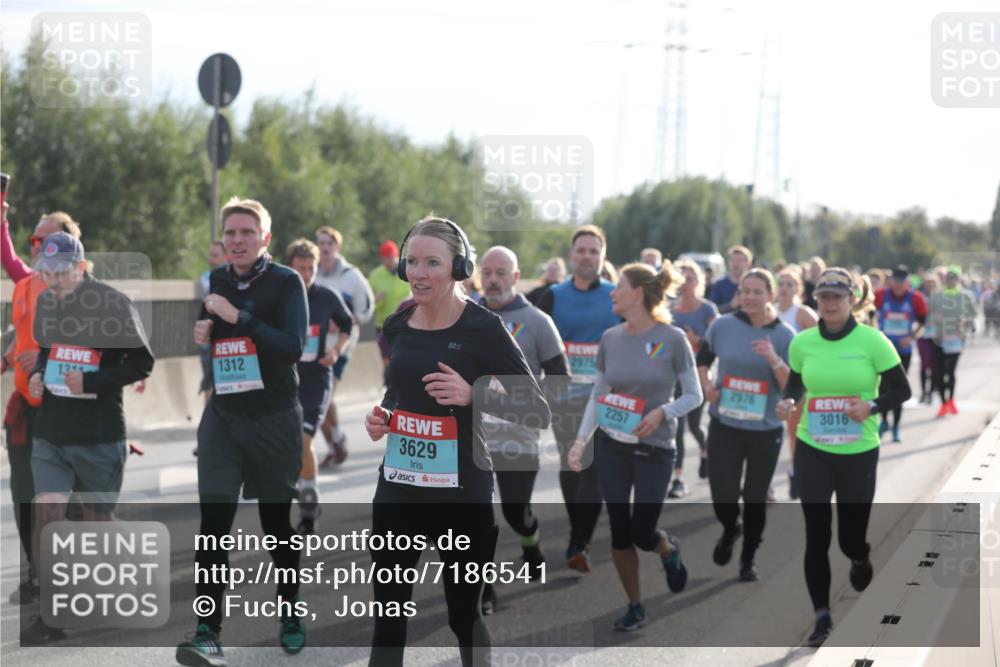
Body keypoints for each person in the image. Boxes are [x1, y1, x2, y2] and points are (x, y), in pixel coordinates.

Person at [363, 216, 550, 666]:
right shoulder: (399, 323)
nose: (419, 273)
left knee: (463, 616)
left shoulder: (484, 328)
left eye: (432, 262)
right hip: (399, 485)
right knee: (389, 618)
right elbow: (400, 387)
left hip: (461, 491)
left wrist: (475, 394)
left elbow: (539, 410)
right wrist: (386, 414)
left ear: (459, 267)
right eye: (412, 262)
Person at [177, 197, 309, 665]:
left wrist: (241, 319)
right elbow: (215, 327)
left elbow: (293, 347)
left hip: (274, 418)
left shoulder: (287, 282)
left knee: (276, 527)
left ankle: (290, 608)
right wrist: (205, 331)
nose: (236, 240)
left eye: (246, 233)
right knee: (213, 527)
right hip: (225, 418)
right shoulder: (216, 280)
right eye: (229, 233)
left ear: (264, 238)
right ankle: (208, 633)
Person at [22, 232, 154, 643]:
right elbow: (47, 350)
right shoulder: (46, 302)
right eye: (46, 273)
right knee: (48, 512)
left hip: (98, 434)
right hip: (52, 433)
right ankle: (52, 611)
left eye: (60, 273)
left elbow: (143, 361)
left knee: (98, 523)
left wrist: (93, 379)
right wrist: (41, 375)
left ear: (80, 267)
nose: (52, 281)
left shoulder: (113, 303)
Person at [776, 267, 911, 648]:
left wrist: (871, 406)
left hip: (858, 452)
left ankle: (859, 557)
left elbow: (901, 390)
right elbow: (796, 382)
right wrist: (788, 402)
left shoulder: (874, 341)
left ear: (852, 300)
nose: (830, 303)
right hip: (813, 449)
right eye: (823, 297)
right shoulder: (802, 343)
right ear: (815, 301)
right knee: (816, 535)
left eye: (837, 297)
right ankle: (822, 617)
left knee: (850, 538)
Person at [567, 261, 700, 631]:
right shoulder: (610, 339)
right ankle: (635, 605)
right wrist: (581, 441)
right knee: (620, 530)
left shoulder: (672, 339)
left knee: (644, 532)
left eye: (619, 286)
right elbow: (598, 394)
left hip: (655, 448)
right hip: (613, 446)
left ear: (637, 293)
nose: (612, 292)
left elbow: (694, 395)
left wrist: (662, 413)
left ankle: (668, 550)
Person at [477, 246, 568, 614]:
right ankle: (483, 587)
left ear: (516, 278)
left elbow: (560, 378)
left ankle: (530, 541)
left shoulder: (538, 321)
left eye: (501, 272)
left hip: (519, 434)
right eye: (487, 272)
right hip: (473, 435)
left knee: (516, 512)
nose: (493, 279)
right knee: (478, 516)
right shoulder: (466, 315)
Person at [1, 211, 83, 604]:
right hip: (24, 407)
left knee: (66, 499)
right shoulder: (24, 287)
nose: (36, 250)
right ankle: (38, 573)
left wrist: (51, 365)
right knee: (24, 493)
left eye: (43, 242)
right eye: (33, 243)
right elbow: (18, 337)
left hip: (65, 406)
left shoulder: (78, 289)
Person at [697, 269, 795, 582]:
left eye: (757, 291)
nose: (750, 297)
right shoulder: (723, 326)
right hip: (725, 423)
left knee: (754, 497)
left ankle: (748, 558)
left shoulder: (784, 335)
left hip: (764, 431)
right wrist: (707, 386)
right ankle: (730, 528)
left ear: (771, 295)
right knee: (722, 493)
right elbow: (703, 357)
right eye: (745, 291)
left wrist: (774, 360)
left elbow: (792, 386)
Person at [536, 225, 621, 572]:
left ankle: (580, 541)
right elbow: (532, 341)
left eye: (593, 251)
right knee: (573, 466)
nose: (587, 256)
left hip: (607, 400)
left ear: (602, 258)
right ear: (572, 256)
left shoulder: (619, 295)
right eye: (581, 251)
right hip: (565, 399)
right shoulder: (552, 296)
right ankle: (578, 529)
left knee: (595, 470)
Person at [286, 239, 353, 534]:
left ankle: (308, 509)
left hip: (316, 379)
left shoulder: (327, 297)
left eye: (310, 268)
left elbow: (349, 326)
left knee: (303, 441)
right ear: (290, 268)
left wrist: (336, 352)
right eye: (300, 268)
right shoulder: (280, 296)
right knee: (286, 449)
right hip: (285, 380)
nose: (306, 273)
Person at [314, 226, 375, 467]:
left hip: (341, 345)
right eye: (321, 243)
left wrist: (343, 323)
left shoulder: (352, 276)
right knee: (316, 398)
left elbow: (366, 310)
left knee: (324, 395)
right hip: (314, 344)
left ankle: (336, 440)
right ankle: (335, 442)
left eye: (329, 243)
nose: (325, 248)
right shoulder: (312, 273)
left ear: (337, 247)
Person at [668, 259, 718, 493]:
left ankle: (706, 449)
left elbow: (716, 343)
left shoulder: (707, 309)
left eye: (689, 278)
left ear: (698, 282)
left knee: (695, 425)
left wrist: (696, 340)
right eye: (681, 278)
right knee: (676, 425)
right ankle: (678, 478)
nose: (684, 283)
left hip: (697, 374)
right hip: (672, 375)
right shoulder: (668, 309)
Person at [775, 267, 819, 498]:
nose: (784, 288)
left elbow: (819, 345)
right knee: (766, 432)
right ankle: (766, 482)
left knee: (794, 432)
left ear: (798, 289)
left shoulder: (803, 314)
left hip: (795, 382)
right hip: (770, 380)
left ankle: (795, 472)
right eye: (781, 283)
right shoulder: (769, 312)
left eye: (790, 284)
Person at [873, 266, 927, 442]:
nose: (898, 286)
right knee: (882, 388)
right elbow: (869, 314)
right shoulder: (881, 295)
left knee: (898, 388)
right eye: (895, 282)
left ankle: (896, 426)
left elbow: (922, 322)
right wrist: (875, 332)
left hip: (903, 351)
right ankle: (884, 421)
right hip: (882, 350)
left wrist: (911, 336)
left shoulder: (916, 298)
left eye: (901, 283)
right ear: (891, 282)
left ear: (907, 283)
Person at [927, 266, 977, 417]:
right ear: (944, 279)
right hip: (939, 339)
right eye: (948, 278)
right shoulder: (936, 296)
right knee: (940, 372)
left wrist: (965, 321)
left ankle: (952, 401)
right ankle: (943, 403)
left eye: (953, 278)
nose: (950, 281)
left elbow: (972, 316)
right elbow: (928, 317)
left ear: (958, 279)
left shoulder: (965, 296)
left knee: (951, 372)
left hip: (956, 339)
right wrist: (936, 318)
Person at [369, 240, 412, 383]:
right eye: (386, 257)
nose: (389, 260)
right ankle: (389, 381)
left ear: (397, 256)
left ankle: (396, 380)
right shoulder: (375, 276)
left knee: (400, 354)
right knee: (386, 356)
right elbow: (368, 304)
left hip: (405, 322)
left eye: (392, 256)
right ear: (382, 258)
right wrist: (375, 299)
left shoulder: (406, 271)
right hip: (383, 324)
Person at [197, 241, 228, 407]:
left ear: (226, 256)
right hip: (211, 340)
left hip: (230, 341)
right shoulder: (207, 279)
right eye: (210, 255)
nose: (211, 260)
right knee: (210, 382)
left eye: (215, 255)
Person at [708, 245, 753, 314]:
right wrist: (731, 305)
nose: (735, 264)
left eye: (739, 261)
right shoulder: (719, 285)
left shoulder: (754, 286)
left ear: (748, 264)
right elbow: (710, 311)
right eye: (733, 260)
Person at [916, 273, 939, 403]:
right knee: (924, 364)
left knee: (934, 364)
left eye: (933, 284)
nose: (930, 286)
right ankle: (924, 391)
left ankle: (931, 391)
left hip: (936, 336)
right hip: (923, 335)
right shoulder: (920, 298)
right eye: (928, 283)